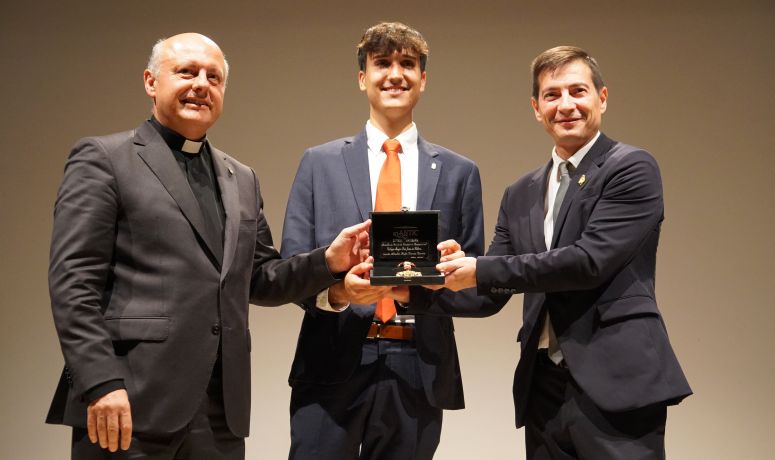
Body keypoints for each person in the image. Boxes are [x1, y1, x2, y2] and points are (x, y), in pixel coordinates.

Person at [46, 32, 369, 459]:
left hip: (220, 413)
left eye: (214, 77)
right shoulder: (104, 159)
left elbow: (260, 278)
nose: (202, 84)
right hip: (129, 403)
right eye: (186, 72)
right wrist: (101, 383)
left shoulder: (242, 178)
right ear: (150, 82)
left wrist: (327, 262)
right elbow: (73, 284)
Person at [431, 46, 692, 458]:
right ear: (536, 108)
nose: (566, 105)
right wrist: (422, 280)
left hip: (617, 379)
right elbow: (490, 291)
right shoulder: (521, 193)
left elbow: (588, 262)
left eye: (578, 91)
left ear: (601, 98)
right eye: (552, 95)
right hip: (543, 387)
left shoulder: (632, 167)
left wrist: (479, 268)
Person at [280, 22, 483, 460]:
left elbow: (476, 286)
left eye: (408, 64)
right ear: (362, 78)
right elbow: (289, 269)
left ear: (423, 79)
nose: (396, 74)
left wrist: (446, 277)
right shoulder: (319, 163)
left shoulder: (459, 171)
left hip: (418, 365)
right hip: (330, 357)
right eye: (382, 63)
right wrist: (337, 292)